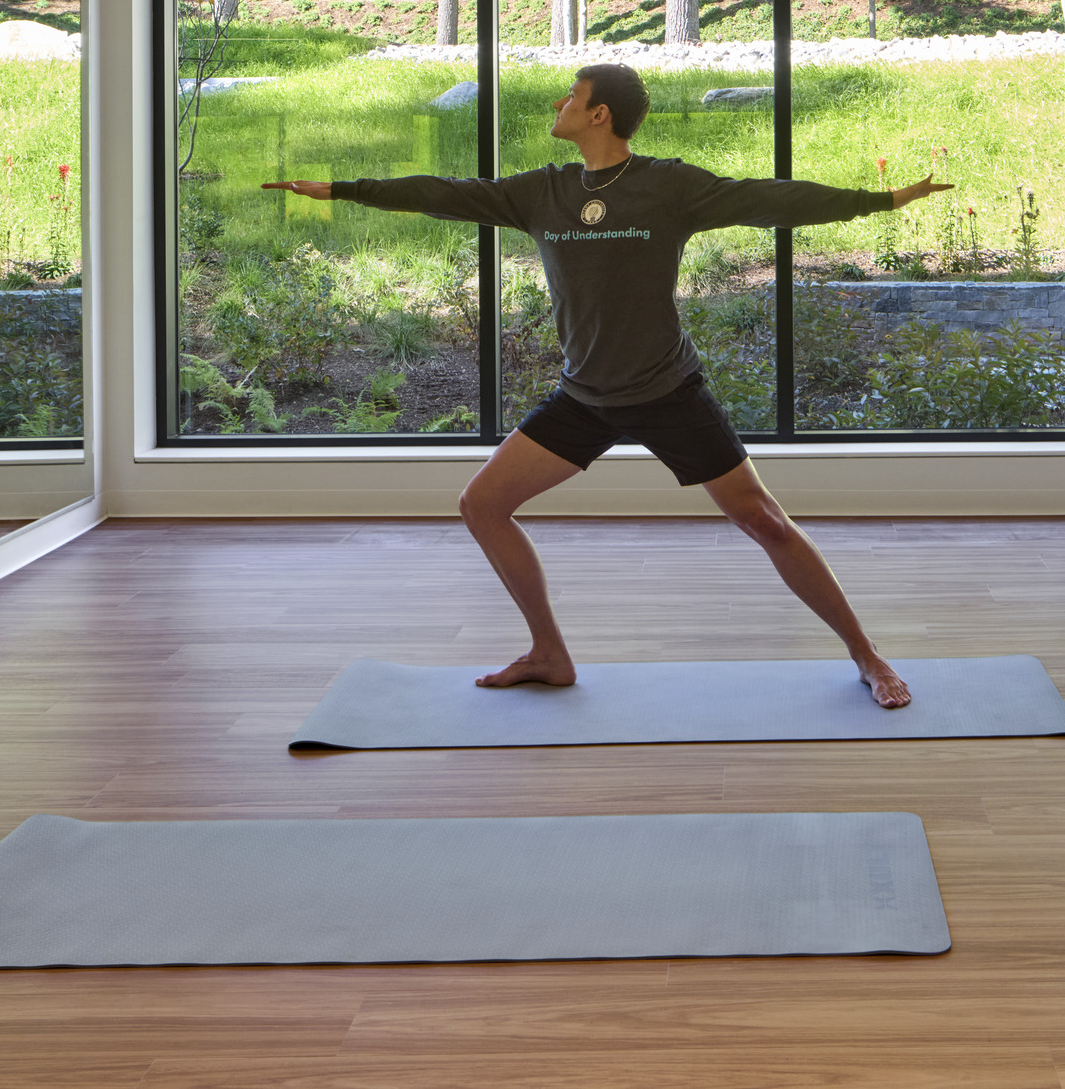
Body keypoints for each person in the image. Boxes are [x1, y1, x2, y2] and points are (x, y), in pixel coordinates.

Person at [264, 62, 950, 709]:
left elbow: (767, 200)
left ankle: (867, 656)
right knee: (481, 504)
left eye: (569, 95)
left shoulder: (668, 186)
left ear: (598, 114)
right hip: (584, 396)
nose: (557, 104)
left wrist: (879, 201)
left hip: (667, 392)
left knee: (764, 521)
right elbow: (444, 194)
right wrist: (347, 189)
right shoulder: (543, 192)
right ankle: (548, 653)